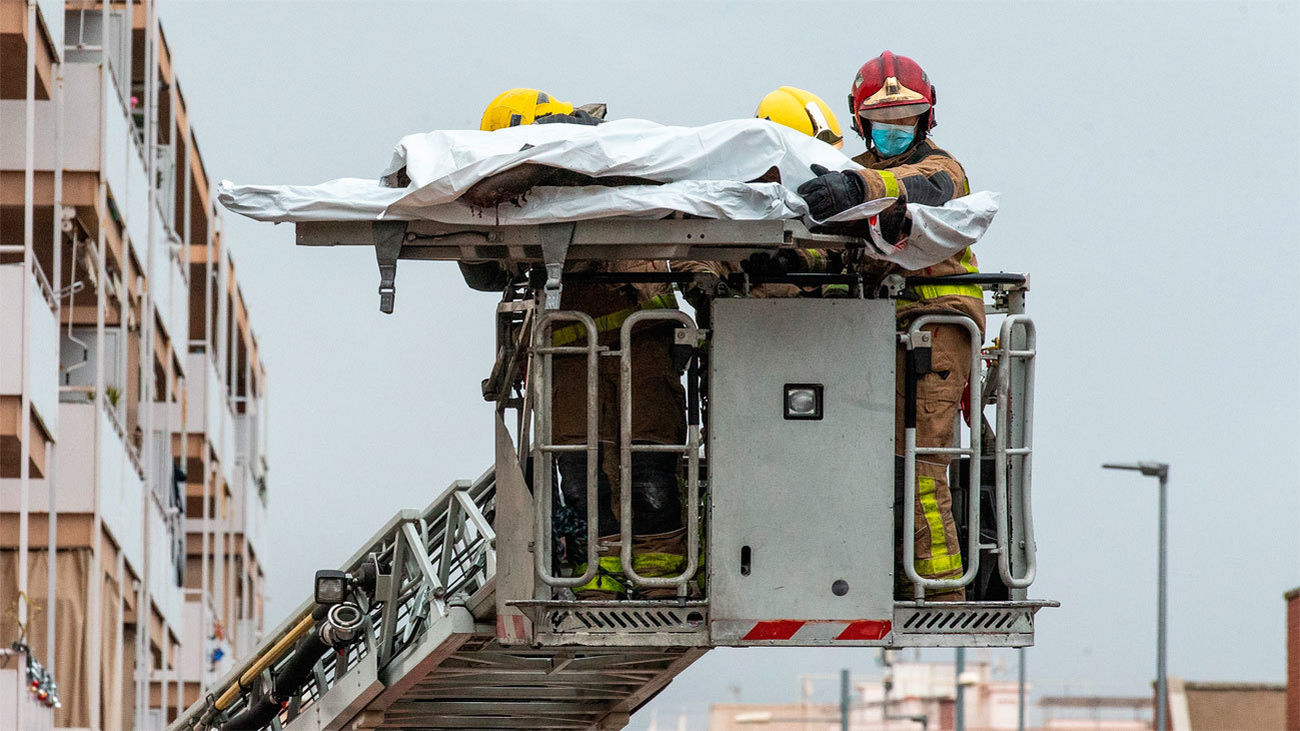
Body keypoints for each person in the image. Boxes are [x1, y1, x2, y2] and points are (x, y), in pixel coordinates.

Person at [469, 89, 689, 600]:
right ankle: (601, 585)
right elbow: (481, 270)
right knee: (584, 473)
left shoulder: (611, 162)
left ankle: (659, 581)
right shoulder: (524, 198)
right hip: (569, 362)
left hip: (643, 352)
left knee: (651, 468)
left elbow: (684, 222)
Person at [797, 52, 984, 601]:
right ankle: (892, 573)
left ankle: (941, 587)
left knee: (927, 462)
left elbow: (922, 190)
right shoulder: (850, 177)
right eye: (884, 123)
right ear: (862, 122)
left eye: (906, 121)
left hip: (939, 329)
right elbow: (834, 249)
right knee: (876, 462)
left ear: (925, 122)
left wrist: (858, 189)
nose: (895, 131)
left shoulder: (942, 169)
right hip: (878, 332)